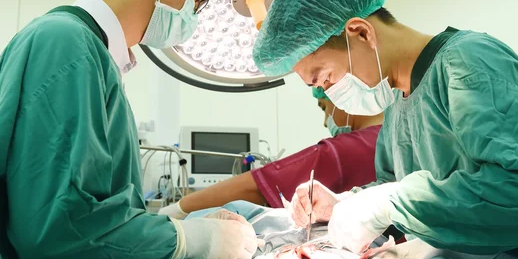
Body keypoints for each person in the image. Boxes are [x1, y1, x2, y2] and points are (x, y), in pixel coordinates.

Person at [0, 0, 263, 259]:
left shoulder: (90, 55)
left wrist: (160, 224)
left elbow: (89, 210)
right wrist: (185, 239)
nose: (194, 14)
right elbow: (55, 231)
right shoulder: (64, 46)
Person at [252, 0, 518, 259]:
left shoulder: (469, 63)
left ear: (361, 32)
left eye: (323, 77)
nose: (326, 93)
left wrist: (390, 202)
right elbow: (401, 190)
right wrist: (348, 202)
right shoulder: (398, 104)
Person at [159, 87, 383, 218]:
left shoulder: (345, 149)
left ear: (342, 95)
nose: (326, 122)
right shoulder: (389, 138)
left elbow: (256, 187)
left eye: (324, 108)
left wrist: (172, 212)